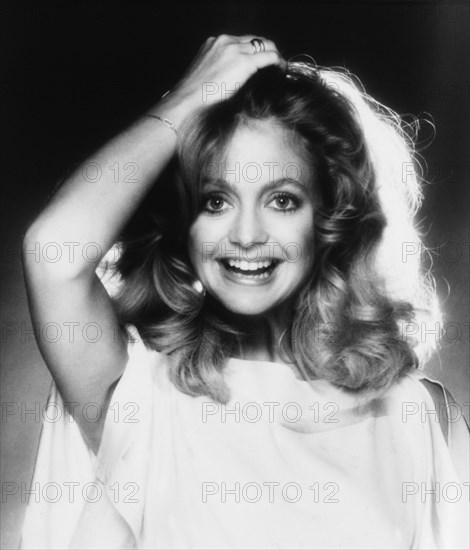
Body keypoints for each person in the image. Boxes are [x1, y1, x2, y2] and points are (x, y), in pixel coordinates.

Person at [20, 35, 468, 549]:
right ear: (184, 226)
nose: (247, 235)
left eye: (282, 199)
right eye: (216, 201)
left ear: (328, 219)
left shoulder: (418, 416)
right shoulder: (140, 396)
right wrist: (192, 96)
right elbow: (53, 252)